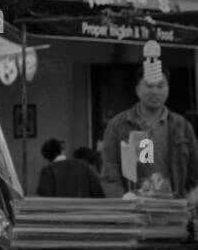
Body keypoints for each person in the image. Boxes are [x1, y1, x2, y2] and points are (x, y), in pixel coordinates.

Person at [100, 66, 198, 199]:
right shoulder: (118, 125)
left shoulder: (182, 126)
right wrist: (122, 201)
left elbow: (194, 172)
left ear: (168, 89)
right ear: (137, 90)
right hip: (133, 209)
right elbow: (109, 173)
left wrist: (189, 200)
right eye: (149, 86)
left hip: (173, 207)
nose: (155, 91)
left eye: (161, 86)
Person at [36, 138, 104, 198]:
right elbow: (98, 192)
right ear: (60, 150)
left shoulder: (47, 171)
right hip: (84, 210)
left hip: (60, 210)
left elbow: (45, 196)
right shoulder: (83, 165)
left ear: (46, 157)